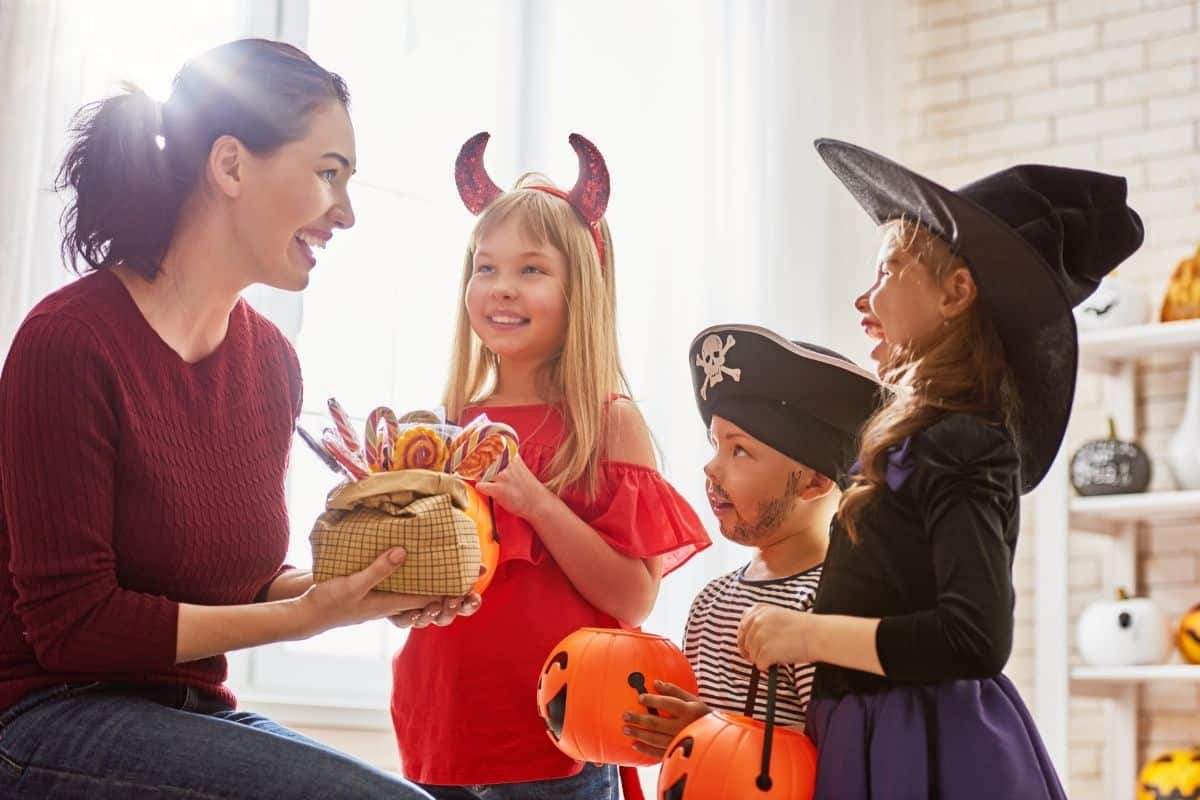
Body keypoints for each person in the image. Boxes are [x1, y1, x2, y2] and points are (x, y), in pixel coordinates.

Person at [0, 39, 444, 799]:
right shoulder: (68, 344)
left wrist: (368, 590)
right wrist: (306, 618)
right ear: (231, 164)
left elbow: (244, 581)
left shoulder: (272, 363)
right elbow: (74, 626)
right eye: (327, 173)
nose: (347, 212)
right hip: (45, 718)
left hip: (188, 713)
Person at [737, 138, 1144, 799]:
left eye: (887, 271)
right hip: (871, 735)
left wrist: (808, 633)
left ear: (956, 293)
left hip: (925, 752)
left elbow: (974, 636)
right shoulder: (913, 439)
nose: (863, 300)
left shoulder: (962, 442)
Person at [390, 132, 711, 800]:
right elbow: (430, 579)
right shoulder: (448, 421)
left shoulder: (607, 420)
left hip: (559, 740)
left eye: (531, 270)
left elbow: (633, 595)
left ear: (580, 287)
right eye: (486, 267)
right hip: (444, 727)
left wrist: (535, 503)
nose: (502, 288)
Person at [623, 324, 880, 759]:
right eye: (715, 445)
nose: (711, 468)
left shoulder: (825, 611)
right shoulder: (710, 601)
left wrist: (709, 737)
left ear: (816, 482)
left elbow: (833, 760)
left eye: (739, 450)